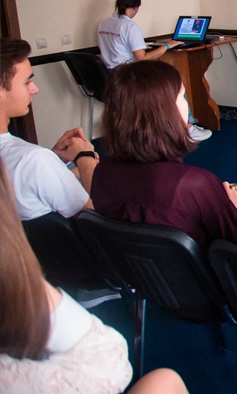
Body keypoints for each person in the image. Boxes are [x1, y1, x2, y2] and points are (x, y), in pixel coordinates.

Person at [0, 160, 189, 394]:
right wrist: (85, 162)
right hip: (103, 272)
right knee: (164, 381)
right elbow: (115, 367)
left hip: (65, 271)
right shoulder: (34, 162)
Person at [91, 61, 237, 251]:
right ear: (166, 111)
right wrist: (234, 210)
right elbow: (236, 250)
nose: (186, 104)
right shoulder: (194, 185)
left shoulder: (102, 173)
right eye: (182, 96)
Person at [97, 0, 211, 142]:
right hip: (129, 78)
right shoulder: (130, 26)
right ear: (136, 7)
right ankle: (188, 128)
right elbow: (142, 59)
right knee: (175, 83)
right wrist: (168, 45)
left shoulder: (103, 24)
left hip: (111, 76)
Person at [0, 38, 96, 219]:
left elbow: (30, 184)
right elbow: (96, 217)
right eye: (27, 82)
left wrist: (54, 158)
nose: (35, 89)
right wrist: (85, 159)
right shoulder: (33, 160)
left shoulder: (33, 162)